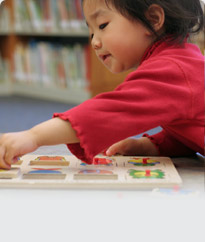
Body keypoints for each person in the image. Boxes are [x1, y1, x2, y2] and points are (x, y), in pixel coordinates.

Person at [0, 0, 204, 169]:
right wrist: (154, 145)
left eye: (103, 26)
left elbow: (112, 110)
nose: (94, 42)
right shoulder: (183, 61)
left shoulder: (173, 69)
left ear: (153, 19)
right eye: (91, 33)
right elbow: (190, 123)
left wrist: (34, 136)